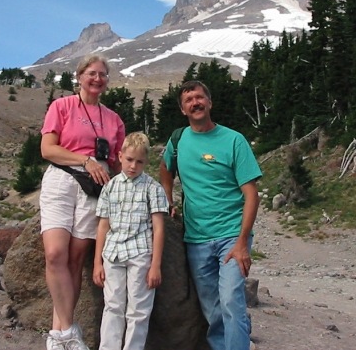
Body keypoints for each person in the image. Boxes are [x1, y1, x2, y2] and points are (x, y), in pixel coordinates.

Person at [160, 80, 262, 350]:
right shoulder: (178, 140)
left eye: (199, 97)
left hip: (231, 236)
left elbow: (252, 195)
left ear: (209, 102)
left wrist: (242, 243)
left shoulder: (233, 140)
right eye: (188, 100)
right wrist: (167, 197)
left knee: (230, 301)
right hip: (196, 239)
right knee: (212, 310)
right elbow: (164, 169)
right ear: (183, 110)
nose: (195, 102)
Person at [39, 55, 125, 350]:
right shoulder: (61, 107)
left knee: (75, 260)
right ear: (79, 76)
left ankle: (58, 333)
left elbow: (117, 163)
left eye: (103, 74)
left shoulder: (114, 119)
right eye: (92, 73)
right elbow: (48, 149)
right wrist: (85, 160)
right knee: (54, 254)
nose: (97, 79)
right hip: (62, 180)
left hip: (95, 188)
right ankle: (66, 332)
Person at [93, 132, 169, 350]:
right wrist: (97, 262)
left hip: (140, 254)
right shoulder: (110, 186)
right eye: (129, 159)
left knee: (138, 310)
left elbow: (159, 228)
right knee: (113, 305)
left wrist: (155, 265)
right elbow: (103, 225)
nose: (133, 166)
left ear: (146, 162)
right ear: (120, 156)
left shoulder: (153, 188)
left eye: (139, 161)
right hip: (113, 253)